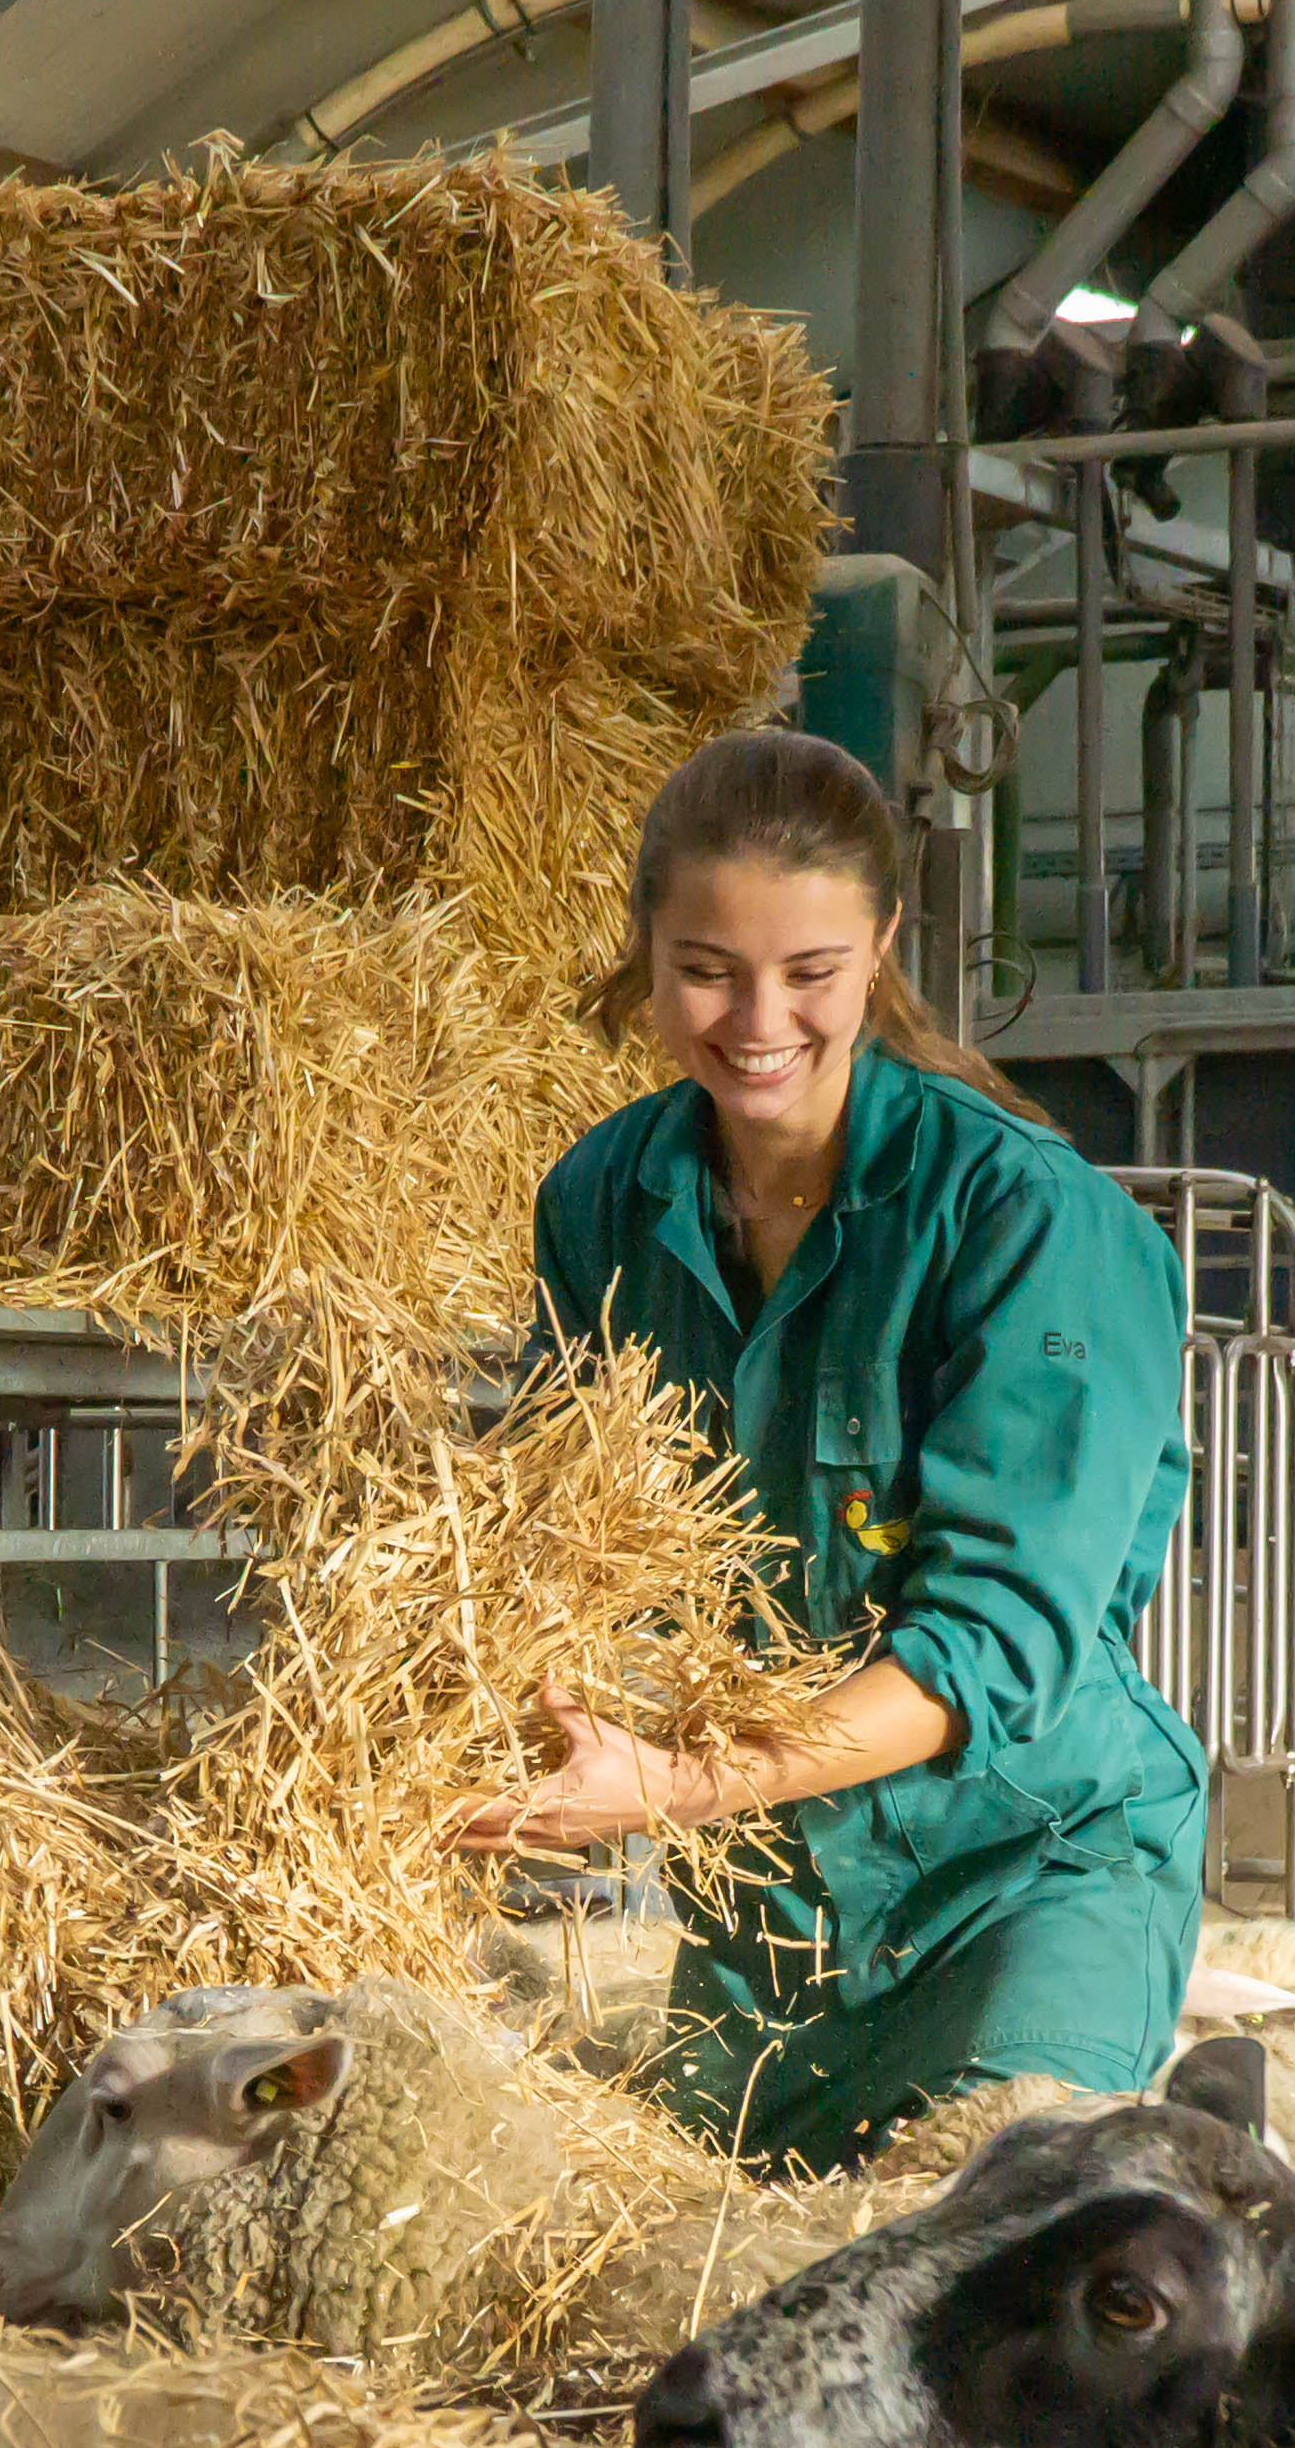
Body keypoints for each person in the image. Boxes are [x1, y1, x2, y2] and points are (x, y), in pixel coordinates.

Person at [448, 729, 1209, 2170]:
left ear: (881, 949)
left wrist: (664, 1789)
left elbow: (987, 1651)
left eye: (809, 974)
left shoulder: (1028, 1222)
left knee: (1002, 2235)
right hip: (768, 1920)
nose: (755, 1021)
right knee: (680, 2292)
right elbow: (578, 1538)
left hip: (1023, 1870)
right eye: (706, 969)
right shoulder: (603, 1197)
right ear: (648, 950)